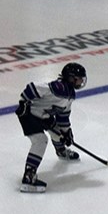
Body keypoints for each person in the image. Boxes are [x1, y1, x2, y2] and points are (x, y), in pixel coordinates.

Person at [15, 62, 87, 193]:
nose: (81, 81)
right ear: (71, 78)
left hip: (43, 115)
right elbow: (31, 88)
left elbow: (63, 117)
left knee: (58, 132)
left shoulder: (70, 94)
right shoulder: (57, 87)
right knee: (40, 141)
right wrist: (23, 103)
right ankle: (29, 176)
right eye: (79, 79)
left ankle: (61, 151)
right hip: (29, 114)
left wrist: (67, 133)